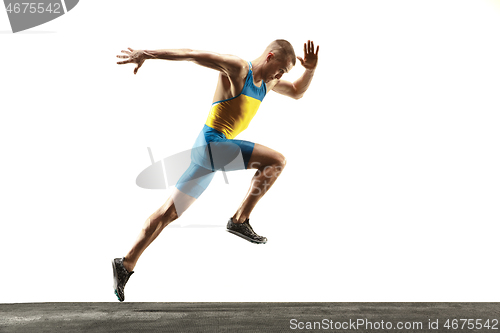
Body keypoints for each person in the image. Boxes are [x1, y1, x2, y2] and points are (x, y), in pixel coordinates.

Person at [112, 39, 319, 301]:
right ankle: (239, 220)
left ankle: (126, 263)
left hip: (209, 154)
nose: (281, 75)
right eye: (282, 69)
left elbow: (298, 92)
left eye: (285, 73)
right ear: (270, 57)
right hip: (212, 144)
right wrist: (147, 54)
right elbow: (191, 53)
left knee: (168, 213)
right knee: (276, 161)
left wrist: (309, 69)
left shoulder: (270, 83)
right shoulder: (238, 69)